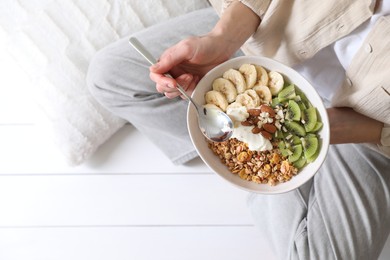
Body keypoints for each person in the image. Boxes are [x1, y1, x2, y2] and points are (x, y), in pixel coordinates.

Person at [87, 0, 390, 259]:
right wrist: (223, 38)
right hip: (267, 39)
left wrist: (320, 131)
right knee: (110, 77)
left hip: (363, 123)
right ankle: (234, 160)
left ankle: (257, 175)